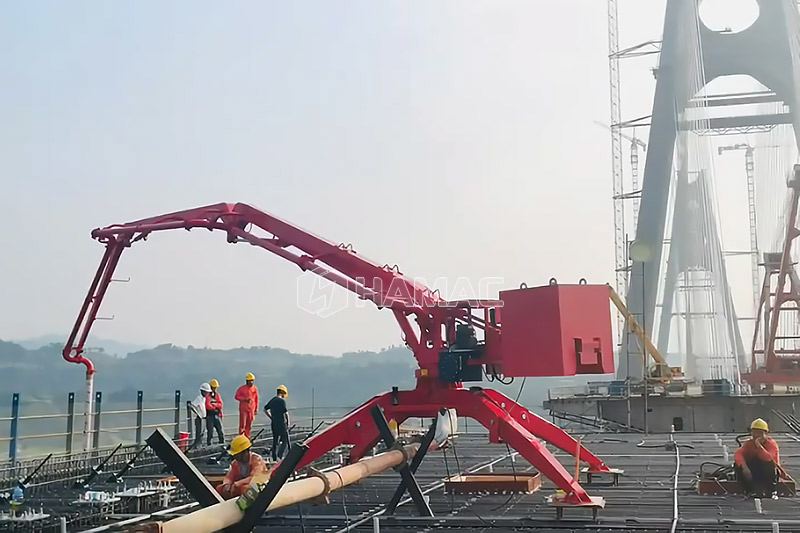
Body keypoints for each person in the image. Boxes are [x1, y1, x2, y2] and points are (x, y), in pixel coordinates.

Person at [735, 418, 781, 496]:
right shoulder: (749, 443)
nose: (756, 435)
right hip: (755, 472)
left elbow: (767, 458)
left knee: (769, 464)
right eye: (754, 432)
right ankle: (749, 490)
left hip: (768, 473)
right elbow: (738, 454)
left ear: (766, 433)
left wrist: (759, 446)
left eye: (759, 433)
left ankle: (771, 491)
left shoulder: (771, 444)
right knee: (738, 465)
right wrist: (745, 467)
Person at [216, 434, 268, 499]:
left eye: (236, 454)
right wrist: (226, 485)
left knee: (245, 489)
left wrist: (237, 484)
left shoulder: (256, 460)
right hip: (240, 486)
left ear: (245, 452)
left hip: (259, 488)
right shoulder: (235, 463)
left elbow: (255, 478)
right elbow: (229, 476)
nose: (234, 456)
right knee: (220, 488)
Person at [264, 384, 290, 461]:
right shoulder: (282, 401)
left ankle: (274, 457)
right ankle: (280, 455)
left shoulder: (272, 400)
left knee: (275, 441)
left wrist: (271, 417)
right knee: (285, 440)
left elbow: (265, 409)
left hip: (274, 423)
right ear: (282, 393)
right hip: (282, 423)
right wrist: (288, 423)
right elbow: (286, 413)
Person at [235, 372, 259, 439]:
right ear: (247, 381)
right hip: (243, 409)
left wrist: (256, 409)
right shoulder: (241, 389)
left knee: (249, 425)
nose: (251, 382)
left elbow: (256, 399)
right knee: (242, 425)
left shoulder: (254, 389)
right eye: (250, 380)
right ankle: (241, 438)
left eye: (252, 380)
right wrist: (244, 399)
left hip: (251, 410)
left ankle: (247, 438)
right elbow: (236, 396)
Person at [189, 383, 211, 448]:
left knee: (202, 433)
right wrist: (198, 413)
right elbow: (192, 405)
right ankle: (196, 446)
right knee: (199, 433)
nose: (207, 394)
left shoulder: (203, 399)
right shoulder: (199, 398)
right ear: (203, 391)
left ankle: (199, 446)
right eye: (207, 392)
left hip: (204, 418)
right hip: (200, 418)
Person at [205, 378, 225, 445]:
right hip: (210, 416)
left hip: (217, 415)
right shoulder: (207, 395)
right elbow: (207, 405)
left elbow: (221, 404)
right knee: (210, 432)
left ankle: (222, 444)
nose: (214, 389)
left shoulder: (217, 395)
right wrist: (215, 406)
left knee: (220, 431)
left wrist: (214, 405)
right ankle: (209, 445)